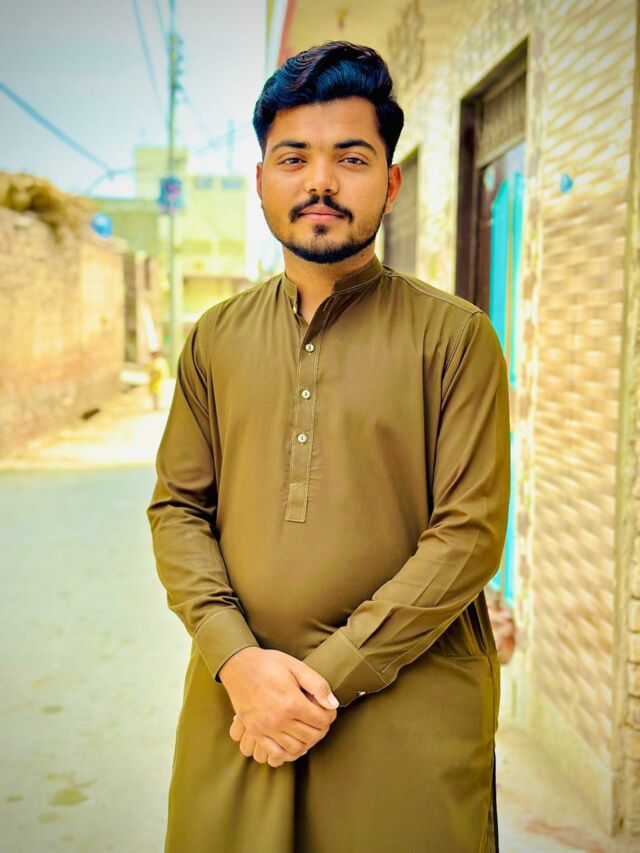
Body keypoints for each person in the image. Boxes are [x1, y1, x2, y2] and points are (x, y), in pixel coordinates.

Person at [146, 40, 510, 853]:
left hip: (407, 712)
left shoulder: (455, 338)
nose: (320, 182)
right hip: (238, 707)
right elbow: (177, 508)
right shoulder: (215, 338)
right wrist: (238, 662)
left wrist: (322, 681)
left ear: (391, 181)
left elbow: (469, 535)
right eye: (293, 158)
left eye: (350, 157)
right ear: (260, 180)